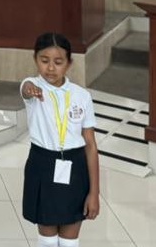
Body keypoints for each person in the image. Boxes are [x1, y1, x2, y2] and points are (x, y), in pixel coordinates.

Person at [19, 32, 100, 247]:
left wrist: (94, 192)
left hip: (75, 168)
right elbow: (26, 88)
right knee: (47, 240)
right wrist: (30, 89)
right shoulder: (33, 87)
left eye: (58, 62)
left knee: (69, 241)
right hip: (42, 165)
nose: (50, 68)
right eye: (44, 61)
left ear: (69, 63)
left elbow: (91, 145)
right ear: (35, 59)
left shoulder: (81, 96)